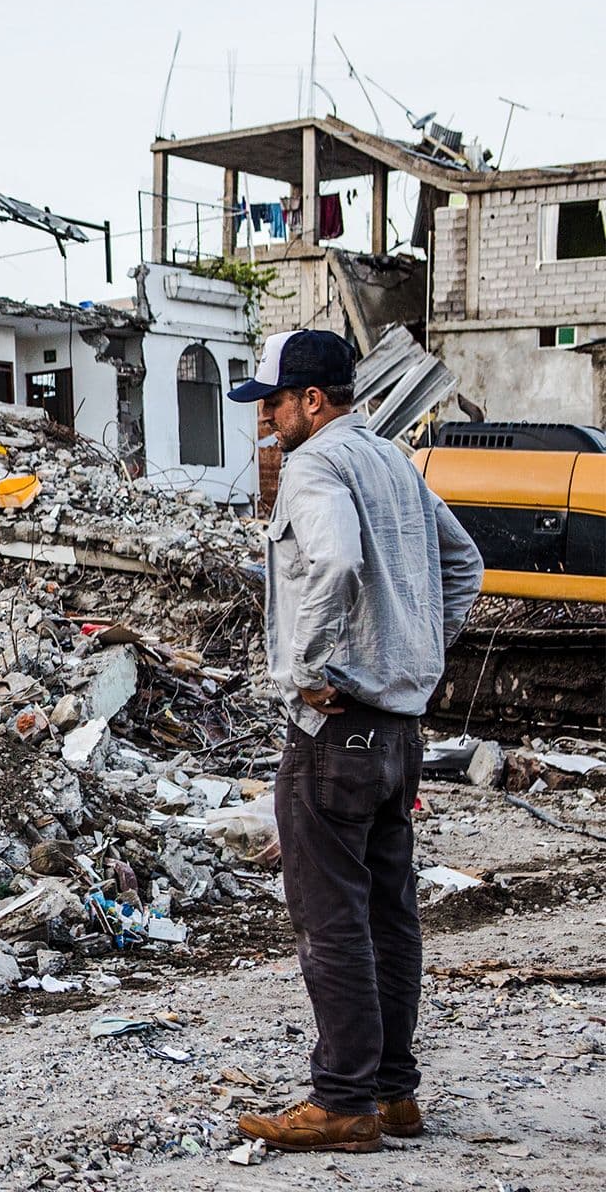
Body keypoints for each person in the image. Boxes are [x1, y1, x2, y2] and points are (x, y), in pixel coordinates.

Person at [228, 330, 483, 1153]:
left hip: (335, 735)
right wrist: (416, 653)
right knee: (387, 913)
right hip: (398, 732)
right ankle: (392, 1093)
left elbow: (333, 563)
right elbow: (465, 563)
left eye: (272, 403)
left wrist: (313, 667)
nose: (265, 422)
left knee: (332, 919)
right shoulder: (393, 463)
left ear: (311, 400)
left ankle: (343, 1104)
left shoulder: (317, 466)